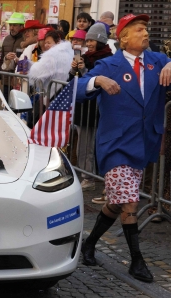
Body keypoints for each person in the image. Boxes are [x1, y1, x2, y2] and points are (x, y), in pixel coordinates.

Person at [78, 14, 171, 283]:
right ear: (124, 37)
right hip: (116, 143)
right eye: (139, 29)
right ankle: (137, 261)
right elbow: (78, 88)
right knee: (130, 201)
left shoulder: (158, 61)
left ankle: (89, 243)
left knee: (117, 202)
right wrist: (97, 81)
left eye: (146, 29)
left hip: (143, 143)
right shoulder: (109, 64)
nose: (145, 33)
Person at [69, 23, 113, 195]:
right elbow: (73, 81)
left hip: (97, 109)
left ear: (100, 40)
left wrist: (85, 70)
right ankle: (87, 175)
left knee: (91, 145)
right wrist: (74, 69)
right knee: (83, 144)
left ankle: (90, 178)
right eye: (88, 40)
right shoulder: (85, 57)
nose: (89, 43)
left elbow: (95, 81)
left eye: (92, 40)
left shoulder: (107, 59)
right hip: (83, 109)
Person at [0, 12, 25, 98]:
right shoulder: (6, 39)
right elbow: (1, 59)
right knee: (6, 105)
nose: (12, 28)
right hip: (6, 80)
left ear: (21, 26)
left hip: (19, 82)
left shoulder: (25, 40)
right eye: (11, 25)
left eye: (15, 25)